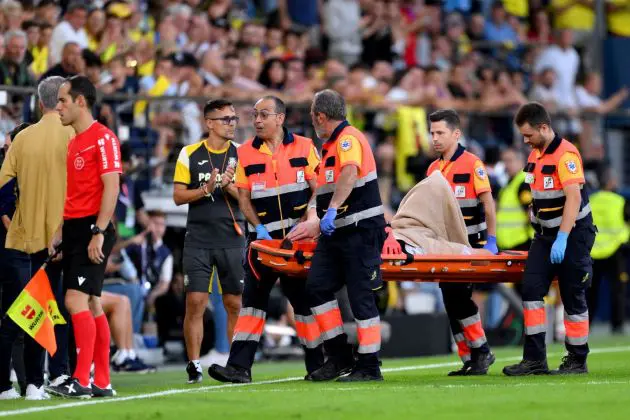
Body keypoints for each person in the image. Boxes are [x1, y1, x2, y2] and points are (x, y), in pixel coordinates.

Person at [208, 95, 324, 384]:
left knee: (303, 305)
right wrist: (258, 229)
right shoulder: (244, 153)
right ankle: (238, 368)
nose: (257, 120)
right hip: (262, 245)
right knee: (252, 304)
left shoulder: (305, 147)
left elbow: (319, 189)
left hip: (297, 245)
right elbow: (243, 198)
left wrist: (310, 217)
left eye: (264, 115)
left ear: (280, 118)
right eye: (255, 115)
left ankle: (317, 366)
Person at [504, 102, 596, 376]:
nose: (525, 140)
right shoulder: (534, 155)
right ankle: (534, 359)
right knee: (531, 292)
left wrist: (563, 237)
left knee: (572, 297)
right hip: (544, 237)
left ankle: (577, 359)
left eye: (529, 134)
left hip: (573, 234)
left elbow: (574, 198)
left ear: (544, 127)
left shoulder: (566, 154)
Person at [0, 76, 75, 401]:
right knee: (43, 312)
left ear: (39, 101)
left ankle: (4, 386)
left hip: (20, 240)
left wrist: (14, 225)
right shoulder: (75, 136)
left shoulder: (22, 137)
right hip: (57, 241)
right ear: (61, 101)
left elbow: (3, 194)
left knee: (15, 314)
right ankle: (34, 384)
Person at [46, 75, 121, 398]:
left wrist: (99, 232)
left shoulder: (102, 138)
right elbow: (75, 193)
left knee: (73, 300)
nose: (57, 106)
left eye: (63, 100)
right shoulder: (74, 140)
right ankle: (101, 381)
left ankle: (81, 379)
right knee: (90, 303)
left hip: (94, 228)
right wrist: (61, 231)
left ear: (80, 101)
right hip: (76, 228)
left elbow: (112, 186)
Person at [302, 89, 385, 382]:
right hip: (336, 232)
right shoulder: (330, 147)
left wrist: (332, 209)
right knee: (316, 287)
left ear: (321, 116)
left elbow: (350, 171)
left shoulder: (348, 139)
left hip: (359, 229)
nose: (313, 122)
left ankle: (369, 366)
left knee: (361, 297)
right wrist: (319, 216)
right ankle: (339, 357)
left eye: (313, 117)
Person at [173, 99, 245, 384]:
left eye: (234, 118)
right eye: (226, 118)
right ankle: (194, 364)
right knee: (196, 302)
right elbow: (178, 197)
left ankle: (236, 363)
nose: (231, 123)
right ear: (209, 123)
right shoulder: (188, 153)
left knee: (234, 303)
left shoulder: (243, 154)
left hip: (232, 237)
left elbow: (248, 199)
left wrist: (227, 185)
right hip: (198, 238)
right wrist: (205, 188)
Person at [424, 109, 497, 376]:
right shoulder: (433, 169)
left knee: (458, 298)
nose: (435, 138)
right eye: (432, 133)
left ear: (456, 134)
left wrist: (491, 240)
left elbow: (488, 204)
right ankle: (469, 356)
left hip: (469, 245)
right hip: (445, 246)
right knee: (450, 299)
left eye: (440, 132)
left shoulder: (472, 164)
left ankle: (481, 351)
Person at [0, 123, 34, 401]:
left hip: (20, 251)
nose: (6, 150)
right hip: (15, 252)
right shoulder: (9, 173)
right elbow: (5, 214)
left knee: (23, 316)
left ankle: (28, 380)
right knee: (19, 316)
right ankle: (19, 381)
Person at [587, 167, 628, 334]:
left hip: (593, 251)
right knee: (617, 290)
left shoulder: (591, 199)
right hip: (615, 250)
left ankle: (586, 324)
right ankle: (617, 325)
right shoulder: (620, 200)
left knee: (591, 292)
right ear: (611, 183)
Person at [496, 147, 534, 251]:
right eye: (504, 161)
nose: (506, 165)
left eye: (509, 160)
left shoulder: (524, 182)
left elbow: (532, 213)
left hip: (522, 242)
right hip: (510, 244)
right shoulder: (510, 183)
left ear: (520, 161)